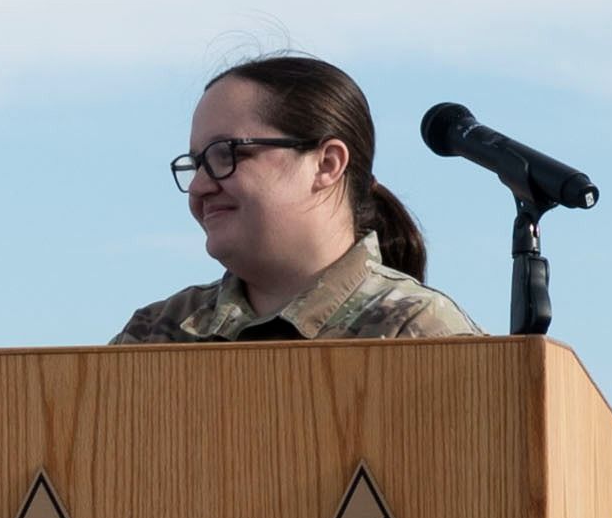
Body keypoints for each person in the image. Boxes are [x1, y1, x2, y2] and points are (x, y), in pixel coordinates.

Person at [121, 55, 479, 345]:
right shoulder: (155, 333)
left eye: (226, 153)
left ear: (327, 164)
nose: (200, 186)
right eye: (197, 163)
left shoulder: (417, 331)